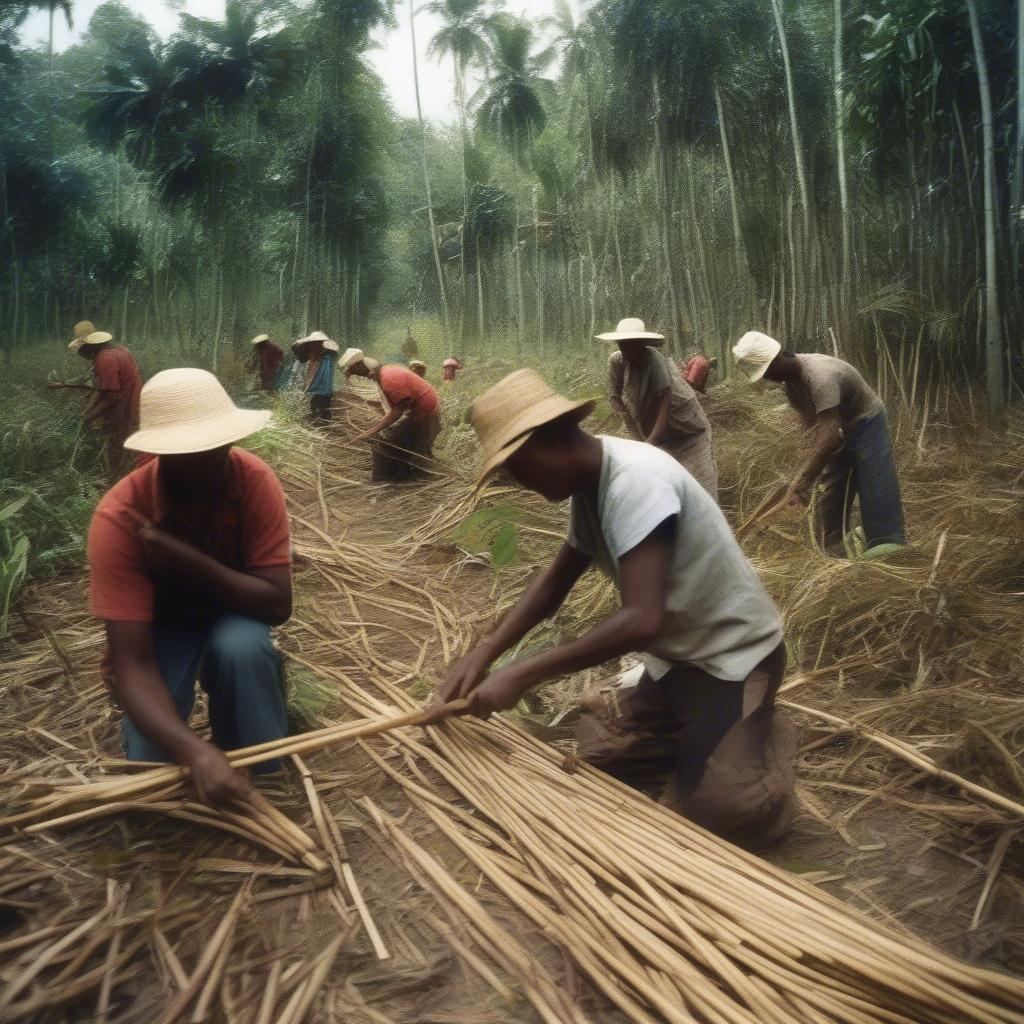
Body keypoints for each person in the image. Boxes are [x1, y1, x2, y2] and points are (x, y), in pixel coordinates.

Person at [434, 369, 793, 848]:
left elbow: (644, 621)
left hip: (733, 658)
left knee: (726, 810)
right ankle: (702, 734)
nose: (521, 483)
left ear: (552, 439)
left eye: (518, 468)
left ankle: (762, 733)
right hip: (677, 662)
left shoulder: (635, 480)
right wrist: (483, 655)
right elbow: (555, 582)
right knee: (601, 752)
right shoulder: (590, 484)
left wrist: (521, 673)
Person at [87, 368, 291, 806]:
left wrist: (187, 560)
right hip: (161, 628)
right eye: (189, 453)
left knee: (244, 651)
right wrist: (195, 752)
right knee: (152, 775)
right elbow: (132, 663)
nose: (210, 462)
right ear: (161, 454)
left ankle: (262, 756)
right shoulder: (120, 517)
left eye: (217, 447)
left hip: (234, 615)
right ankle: (195, 751)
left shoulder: (253, 479)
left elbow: (276, 604)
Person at [732, 331, 907, 559]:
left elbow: (829, 436)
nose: (768, 378)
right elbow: (810, 425)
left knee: (875, 487)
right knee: (833, 492)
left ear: (776, 360)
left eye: (767, 372)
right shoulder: (792, 383)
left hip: (867, 424)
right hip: (838, 430)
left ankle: (888, 548)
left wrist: (804, 480)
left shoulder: (821, 376)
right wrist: (802, 472)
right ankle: (834, 552)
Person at [600, 317, 718, 502]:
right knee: (662, 498)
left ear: (641, 343)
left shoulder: (655, 360)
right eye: (621, 343)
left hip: (689, 434)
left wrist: (649, 443)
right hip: (656, 438)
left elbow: (665, 404)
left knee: (703, 496)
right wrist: (631, 425)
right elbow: (614, 398)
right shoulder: (616, 362)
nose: (625, 348)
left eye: (630, 343)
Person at [341, 349, 441, 482]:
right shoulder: (385, 372)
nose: (359, 377)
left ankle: (383, 483)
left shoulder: (388, 379)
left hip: (424, 414)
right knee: (404, 446)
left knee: (383, 446)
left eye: (356, 373)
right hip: (424, 411)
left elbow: (397, 412)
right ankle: (405, 477)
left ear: (361, 366)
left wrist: (370, 432)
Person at [74, 329, 143, 478]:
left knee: (118, 447)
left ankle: (113, 477)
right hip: (133, 404)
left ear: (91, 348)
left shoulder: (105, 359)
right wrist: (89, 410)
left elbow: (113, 396)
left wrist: (90, 415)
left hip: (125, 409)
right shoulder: (119, 351)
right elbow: (101, 389)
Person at [292, 331, 339, 423]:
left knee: (324, 403)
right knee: (314, 402)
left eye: (319, 342)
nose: (316, 344)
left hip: (324, 383)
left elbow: (333, 358)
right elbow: (309, 368)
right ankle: (316, 418)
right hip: (314, 379)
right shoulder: (311, 352)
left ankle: (324, 420)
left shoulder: (327, 356)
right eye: (314, 343)